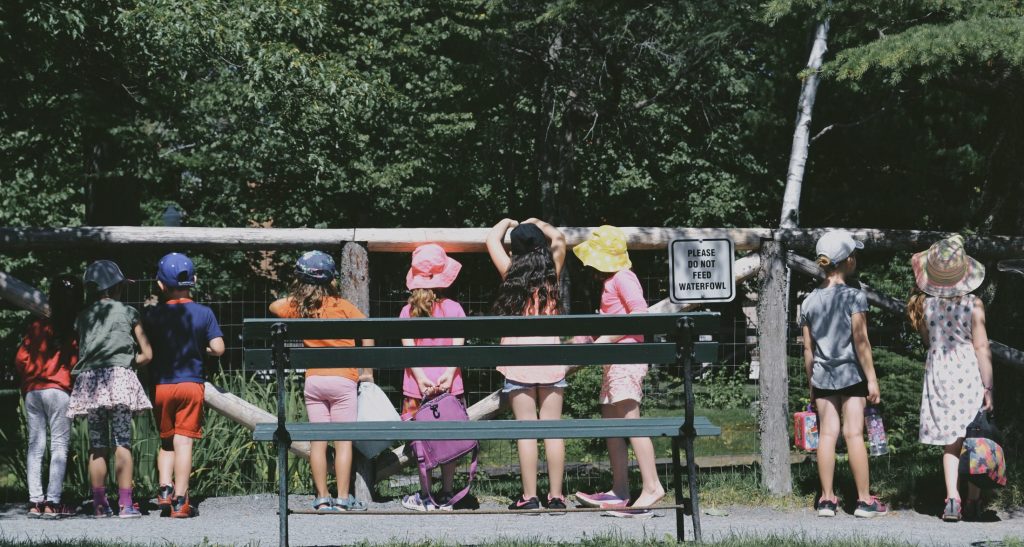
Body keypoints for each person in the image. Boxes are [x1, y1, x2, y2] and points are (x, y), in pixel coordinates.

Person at [571, 225, 664, 518]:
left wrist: (607, 337)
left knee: (629, 420)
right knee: (612, 420)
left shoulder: (624, 277)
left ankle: (652, 487)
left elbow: (639, 314)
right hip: (615, 360)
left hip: (626, 359)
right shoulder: (612, 281)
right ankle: (620, 490)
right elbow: (613, 319)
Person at [269, 250, 373, 513]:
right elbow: (369, 332)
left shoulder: (297, 308)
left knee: (318, 441)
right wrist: (367, 370)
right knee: (343, 441)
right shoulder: (343, 306)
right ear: (332, 280)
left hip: (314, 382)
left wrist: (301, 295)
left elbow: (274, 306)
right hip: (343, 381)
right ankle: (342, 498)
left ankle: (322, 497)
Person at [799, 231, 887, 518]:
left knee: (827, 434)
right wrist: (871, 379)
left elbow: (808, 350)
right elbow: (861, 342)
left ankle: (826, 499)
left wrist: (812, 382)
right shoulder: (854, 296)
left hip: (822, 376)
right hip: (851, 374)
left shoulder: (809, 301)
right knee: (853, 434)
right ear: (848, 260)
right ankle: (863, 501)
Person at [907, 234, 993, 522]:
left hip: (940, 373)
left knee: (950, 442)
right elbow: (981, 346)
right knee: (974, 438)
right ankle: (974, 500)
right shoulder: (974, 304)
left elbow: (928, 342)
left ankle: (951, 498)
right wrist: (988, 386)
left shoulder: (925, 306)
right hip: (968, 371)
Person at [486, 217, 568, 513]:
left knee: (526, 430)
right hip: (550, 363)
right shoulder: (552, 277)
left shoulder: (511, 274)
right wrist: (538, 222)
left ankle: (529, 497)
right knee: (553, 430)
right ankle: (557, 497)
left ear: (515, 252)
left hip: (519, 364)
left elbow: (490, 241)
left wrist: (505, 222)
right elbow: (559, 238)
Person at [66, 260, 153, 518]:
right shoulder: (128, 312)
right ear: (116, 287)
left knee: (97, 445)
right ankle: (126, 505)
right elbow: (147, 354)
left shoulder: (83, 316)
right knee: (122, 441)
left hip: (91, 383)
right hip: (119, 380)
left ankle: (100, 504)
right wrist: (127, 363)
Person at [143, 253, 225, 518]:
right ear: (194, 280)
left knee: (167, 441)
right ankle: (181, 499)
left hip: (162, 386)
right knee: (185, 443)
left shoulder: (153, 315)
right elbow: (219, 348)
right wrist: (203, 348)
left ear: (160, 285)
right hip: (191, 385)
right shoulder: (204, 313)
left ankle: (164, 490)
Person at [398, 243, 467, 512]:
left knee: (422, 444)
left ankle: (426, 496)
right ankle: (448, 494)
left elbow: (409, 348)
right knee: (448, 441)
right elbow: (458, 346)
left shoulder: (407, 311)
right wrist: (449, 374)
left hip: (418, 388)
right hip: (450, 387)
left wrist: (421, 376)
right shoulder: (455, 308)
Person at [14, 275, 83, 518]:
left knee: (35, 445)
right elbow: (75, 365)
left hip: (34, 392)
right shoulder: (73, 334)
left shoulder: (36, 327)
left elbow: (21, 359)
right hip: (60, 391)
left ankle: (34, 501)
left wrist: (28, 379)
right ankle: (52, 503)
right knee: (60, 447)